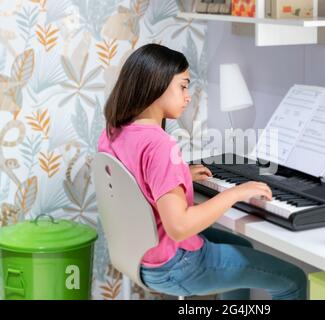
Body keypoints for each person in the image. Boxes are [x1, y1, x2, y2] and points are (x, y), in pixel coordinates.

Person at [98, 44, 307, 300]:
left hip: (140, 253)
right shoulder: (159, 145)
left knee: (241, 245)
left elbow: (135, 177)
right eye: (183, 86)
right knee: (293, 280)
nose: (187, 96)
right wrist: (236, 193)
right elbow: (179, 226)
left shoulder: (114, 132)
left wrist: (180, 174)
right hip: (175, 265)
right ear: (156, 86)